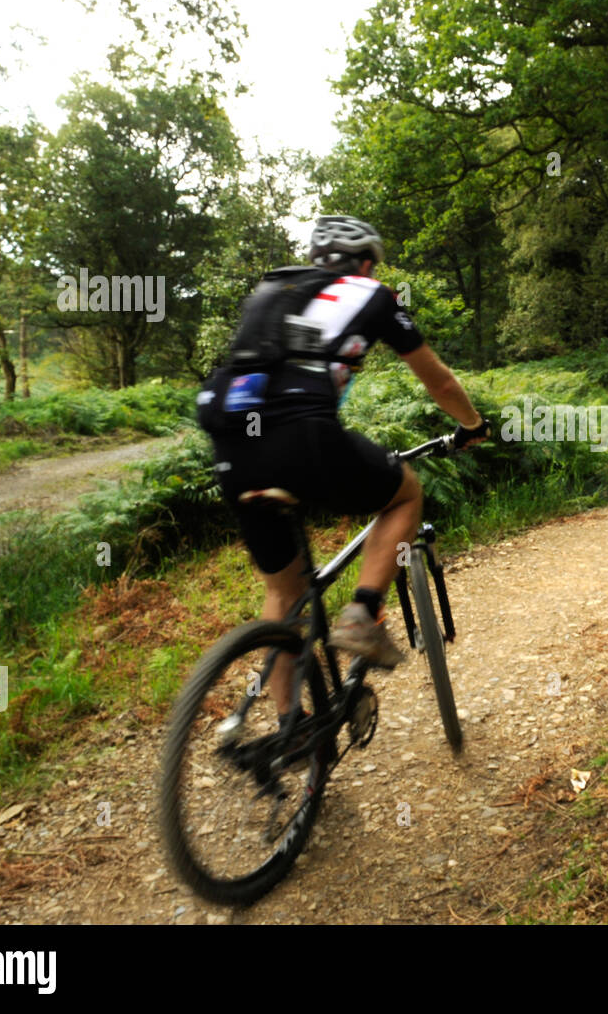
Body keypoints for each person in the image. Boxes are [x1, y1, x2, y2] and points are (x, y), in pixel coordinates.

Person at [204, 215, 488, 712]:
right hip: (302, 435)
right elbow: (438, 382)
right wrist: (472, 424)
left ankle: (289, 727)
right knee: (405, 493)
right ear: (365, 262)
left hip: (230, 444)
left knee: (284, 593)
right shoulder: (371, 293)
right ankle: (361, 613)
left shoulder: (271, 290)